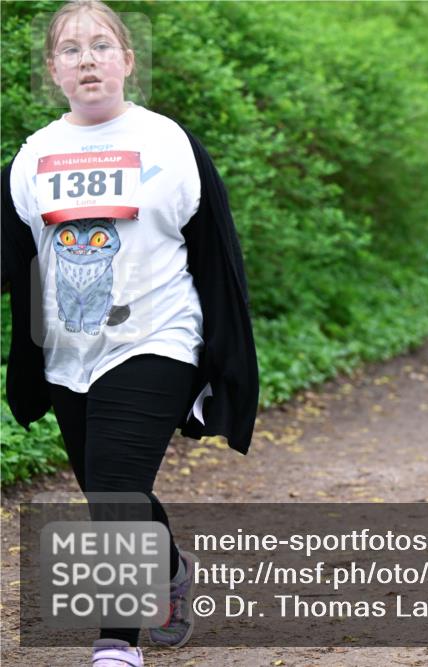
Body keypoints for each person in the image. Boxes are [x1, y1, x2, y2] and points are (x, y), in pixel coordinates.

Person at [0, 2, 259, 664]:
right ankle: (170, 569)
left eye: (100, 45)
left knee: (114, 487)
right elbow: (14, 261)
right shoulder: (32, 158)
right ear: (53, 70)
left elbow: (216, 254)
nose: (86, 59)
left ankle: (116, 643)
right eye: (70, 49)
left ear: (127, 61)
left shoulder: (169, 144)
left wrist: (222, 359)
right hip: (69, 351)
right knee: (111, 492)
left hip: (158, 338)